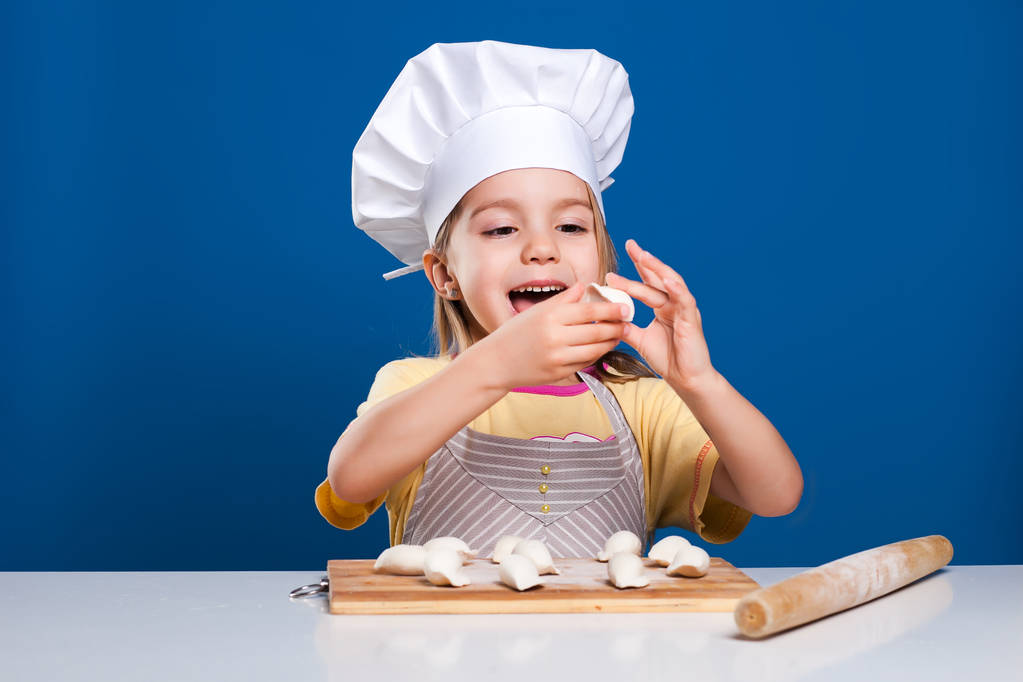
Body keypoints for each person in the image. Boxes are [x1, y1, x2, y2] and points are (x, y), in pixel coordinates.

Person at [315, 40, 802, 558]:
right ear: (445, 275)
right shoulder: (416, 386)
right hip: (443, 641)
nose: (542, 249)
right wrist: (495, 366)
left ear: (603, 260)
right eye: (501, 229)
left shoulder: (643, 408)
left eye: (570, 225)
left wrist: (699, 382)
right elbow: (350, 479)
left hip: (608, 640)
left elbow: (776, 495)